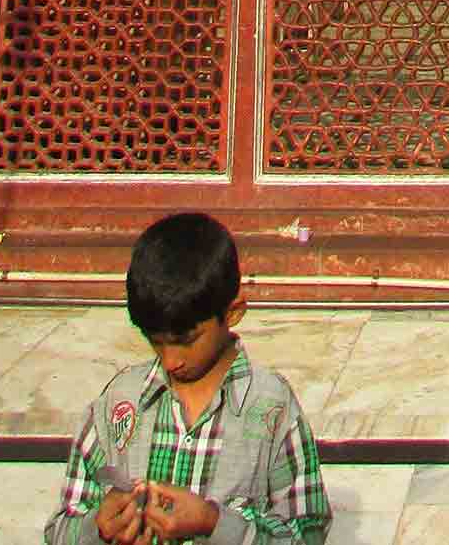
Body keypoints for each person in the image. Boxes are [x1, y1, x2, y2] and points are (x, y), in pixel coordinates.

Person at [45, 211, 332, 544]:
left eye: (186, 341)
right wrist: (97, 530)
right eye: (155, 341)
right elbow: (60, 529)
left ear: (233, 312)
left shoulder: (271, 410)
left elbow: (307, 534)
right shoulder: (118, 404)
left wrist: (215, 524)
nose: (171, 361)